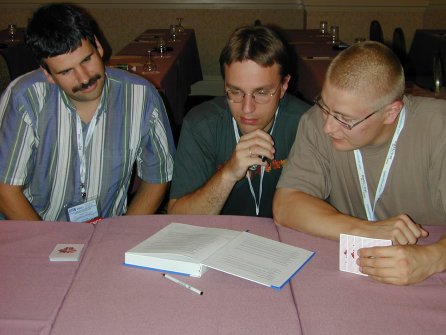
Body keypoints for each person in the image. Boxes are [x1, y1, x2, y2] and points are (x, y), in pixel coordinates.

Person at [273, 41, 446, 285]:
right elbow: (286, 205)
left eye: (345, 119)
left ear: (391, 113)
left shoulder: (439, 128)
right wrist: (366, 230)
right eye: (324, 106)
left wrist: (434, 258)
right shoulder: (315, 123)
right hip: (356, 275)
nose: (328, 127)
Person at [0, 3, 175, 221]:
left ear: (98, 46)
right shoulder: (24, 98)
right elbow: (5, 189)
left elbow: (158, 176)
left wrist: (123, 232)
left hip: (107, 229)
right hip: (35, 227)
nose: (84, 78)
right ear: (47, 74)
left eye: (87, 59)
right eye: (65, 71)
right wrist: (48, 242)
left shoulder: (142, 96)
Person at [168, 25, 309, 217]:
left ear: (284, 85)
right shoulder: (201, 125)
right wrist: (228, 173)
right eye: (235, 91)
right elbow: (178, 217)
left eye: (261, 92)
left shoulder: (307, 125)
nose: (247, 108)